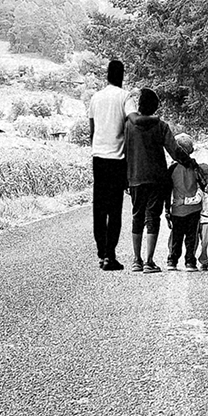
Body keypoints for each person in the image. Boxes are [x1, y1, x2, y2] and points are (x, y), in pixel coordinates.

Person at [124, 90, 205, 273]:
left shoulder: (128, 125)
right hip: (156, 178)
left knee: (137, 216)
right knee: (153, 217)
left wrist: (124, 179)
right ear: (155, 106)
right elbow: (174, 150)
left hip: (135, 177)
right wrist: (190, 162)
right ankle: (149, 262)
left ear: (139, 105)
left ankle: (136, 260)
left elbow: (122, 153)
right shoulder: (160, 125)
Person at [87, 57, 130, 271]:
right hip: (117, 160)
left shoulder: (96, 97)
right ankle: (110, 255)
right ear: (122, 75)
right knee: (115, 210)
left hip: (98, 158)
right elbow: (132, 122)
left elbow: (92, 130)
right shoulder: (125, 97)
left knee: (99, 207)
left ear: (107, 75)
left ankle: (101, 251)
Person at [166, 134, 204, 271]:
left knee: (176, 236)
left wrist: (166, 210)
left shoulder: (172, 169)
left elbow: (167, 191)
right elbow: (203, 185)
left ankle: (172, 260)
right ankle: (190, 262)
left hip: (177, 208)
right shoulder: (195, 167)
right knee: (191, 237)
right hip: (194, 208)